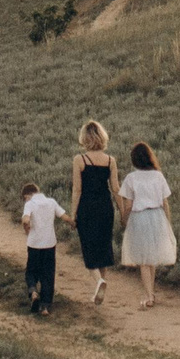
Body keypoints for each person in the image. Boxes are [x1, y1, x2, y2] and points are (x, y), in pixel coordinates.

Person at [117, 141, 178, 308]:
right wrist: (168, 221)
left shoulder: (131, 178)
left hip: (140, 217)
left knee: (144, 259)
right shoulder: (158, 176)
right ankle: (151, 292)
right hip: (157, 216)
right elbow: (165, 203)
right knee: (151, 257)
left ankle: (148, 295)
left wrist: (124, 219)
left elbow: (128, 205)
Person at [68, 119, 117, 302]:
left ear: (84, 138)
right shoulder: (110, 160)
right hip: (105, 207)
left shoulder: (79, 160)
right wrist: (122, 211)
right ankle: (100, 285)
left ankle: (98, 281)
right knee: (103, 248)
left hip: (87, 208)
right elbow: (116, 189)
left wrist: (73, 214)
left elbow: (77, 190)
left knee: (88, 248)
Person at [20, 182, 62, 314]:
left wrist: (26, 228)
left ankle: (33, 291)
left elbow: (26, 220)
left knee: (31, 271)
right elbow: (64, 216)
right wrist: (73, 223)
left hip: (34, 244)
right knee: (48, 274)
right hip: (49, 244)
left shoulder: (30, 203)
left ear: (28, 195)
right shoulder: (51, 201)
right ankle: (45, 306)